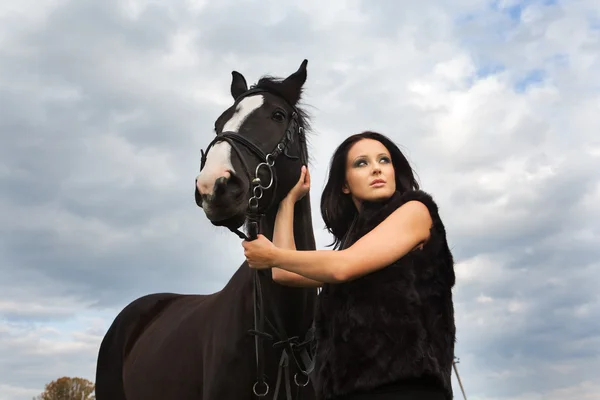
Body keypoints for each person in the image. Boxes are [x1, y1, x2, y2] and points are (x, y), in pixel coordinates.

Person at [242, 131, 456, 400]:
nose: (376, 168)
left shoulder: (415, 210)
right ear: (345, 184)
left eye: (384, 160)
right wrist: (289, 202)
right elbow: (284, 272)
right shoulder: (353, 244)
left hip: (407, 388)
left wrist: (272, 255)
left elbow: (341, 267)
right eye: (362, 163)